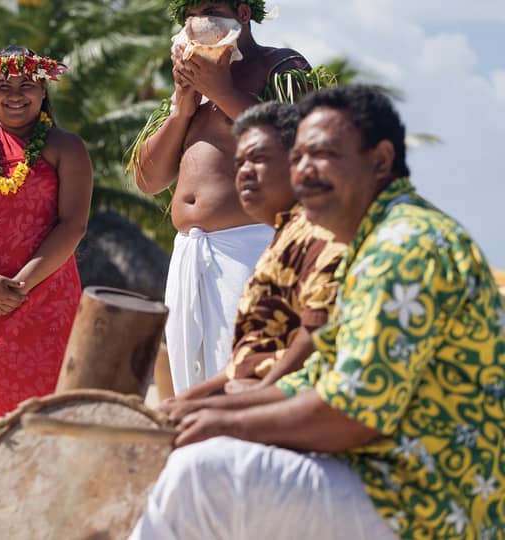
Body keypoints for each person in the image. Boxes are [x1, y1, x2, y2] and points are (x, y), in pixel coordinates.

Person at [132, 86, 505, 539]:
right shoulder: (369, 240)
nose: (304, 171)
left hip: (423, 498)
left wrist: (222, 419)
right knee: (196, 460)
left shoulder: (405, 246)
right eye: (299, 157)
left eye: (324, 154)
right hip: (377, 470)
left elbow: (350, 415)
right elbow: (311, 381)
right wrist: (193, 413)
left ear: (381, 161)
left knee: (202, 474)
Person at [133, 0, 310, 394]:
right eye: (190, 11)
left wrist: (223, 90)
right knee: (190, 383)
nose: (197, 18)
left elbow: (293, 147)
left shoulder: (280, 66)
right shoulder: (191, 80)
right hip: (189, 254)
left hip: (250, 247)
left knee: (245, 374)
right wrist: (182, 109)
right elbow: (148, 180)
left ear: (243, 13)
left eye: (209, 7)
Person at [0, 47, 93, 453]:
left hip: (46, 294)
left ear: (44, 90)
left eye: (27, 85)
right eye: (3, 86)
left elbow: (73, 224)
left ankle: (44, 513)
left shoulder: (67, 147)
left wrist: (20, 286)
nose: (15, 95)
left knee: (46, 408)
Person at [180, 102, 344, 399]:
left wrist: (230, 406)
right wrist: (188, 402)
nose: (243, 172)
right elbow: (247, 354)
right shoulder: (283, 242)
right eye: (239, 162)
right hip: (260, 398)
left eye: (258, 158)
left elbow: (309, 358)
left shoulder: (326, 243)